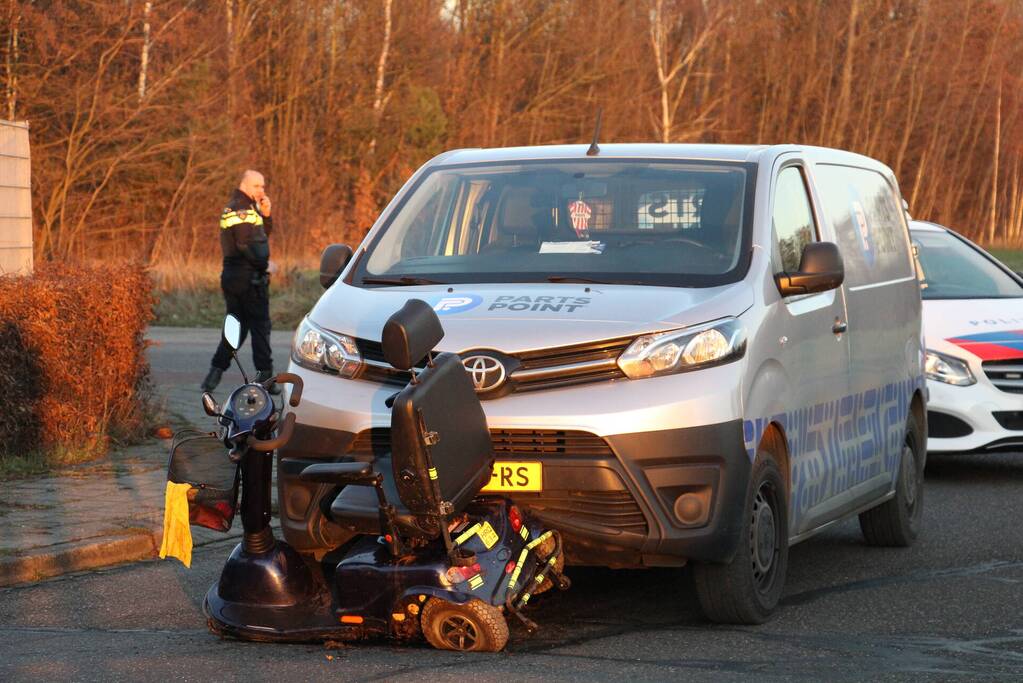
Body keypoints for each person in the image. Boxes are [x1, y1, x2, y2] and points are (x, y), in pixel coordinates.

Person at [201, 170, 280, 394]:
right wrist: (264, 264)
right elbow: (249, 245)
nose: (262, 191)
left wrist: (266, 215)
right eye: (258, 186)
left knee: (237, 328)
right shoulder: (243, 210)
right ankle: (267, 378)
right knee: (260, 328)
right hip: (248, 280)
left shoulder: (236, 207)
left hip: (233, 277)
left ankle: (214, 373)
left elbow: (260, 237)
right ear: (247, 185)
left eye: (263, 187)